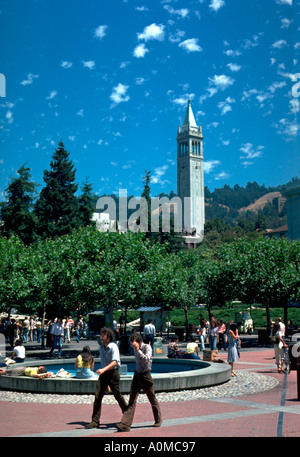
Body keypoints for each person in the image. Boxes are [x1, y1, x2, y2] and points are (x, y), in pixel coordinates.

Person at [116, 333, 162, 432]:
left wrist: (138, 350)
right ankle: (125, 424)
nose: (132, 344)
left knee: (152, 398)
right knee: (132, 400)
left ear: (139, 342)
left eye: (134, 342)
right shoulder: (134, 347)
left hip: (146, 375)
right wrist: (136, 349)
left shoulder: (147, 347)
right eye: (131, 342)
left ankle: (158, 419)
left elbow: (146, 360)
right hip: (137, 375)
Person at [85, 327, 127, 429]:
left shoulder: (113, 346)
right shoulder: (101, 348)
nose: (101, 337)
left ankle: (127, 417)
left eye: (103, 335)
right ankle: (95, 421)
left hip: (113, 373)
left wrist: (103, 370)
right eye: (101, 335)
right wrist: (104, 373)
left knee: (118, 395)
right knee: (98, 396)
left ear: (108, 337)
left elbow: (115, 362)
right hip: (104, 374)